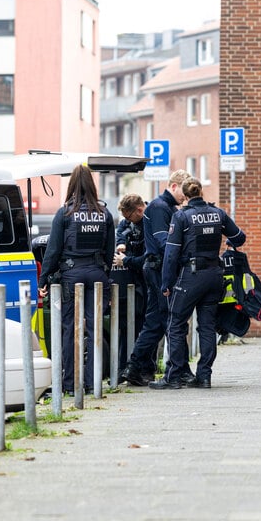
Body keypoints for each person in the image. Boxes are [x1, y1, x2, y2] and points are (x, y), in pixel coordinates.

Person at [151, 178, 246, 389]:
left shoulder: (181, 216)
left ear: (184, 196)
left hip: (190, 277)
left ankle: (173, 376)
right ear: (201, 191)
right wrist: (229, 243)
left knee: (176, 323)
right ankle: (204, 376)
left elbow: (171, 254)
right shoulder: (218, 214)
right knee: (207, 327)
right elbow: (239, 237)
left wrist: (166, 283)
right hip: (214, 275)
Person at [37, 165, 115, 394]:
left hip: (71, 275)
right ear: (92, 185)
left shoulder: (65, 213)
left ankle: (70, 384)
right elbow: (109, 252)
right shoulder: (104, 213)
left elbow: (52, 251)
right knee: (94, 329)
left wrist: (43, 281)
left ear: (71, 185)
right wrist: (104, 274)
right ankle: (92, 383)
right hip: (97, 274)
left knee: (69, 328)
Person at [117, 169, 191, 386]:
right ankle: (176, 369)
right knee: (169, 320)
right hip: (159, 271)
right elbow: (162, 243)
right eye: (182, 192)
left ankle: (136, 366)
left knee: (158, 322)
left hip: (158, 270)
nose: (185, 196)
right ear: (174, 186)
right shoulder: (160, 208)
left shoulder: (166, 207)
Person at [111, 193, 147, 372]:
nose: (127, 220)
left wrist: (126, 261)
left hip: (146, 283)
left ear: (139, 211)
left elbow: (148, 259)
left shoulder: (149, 223)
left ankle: (140, 368)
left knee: (144, 327)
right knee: (127, 328)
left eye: (129, 216)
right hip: (132, 284)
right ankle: (126, 368)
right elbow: (120, 232)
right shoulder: (128, 222)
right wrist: (121, 243)